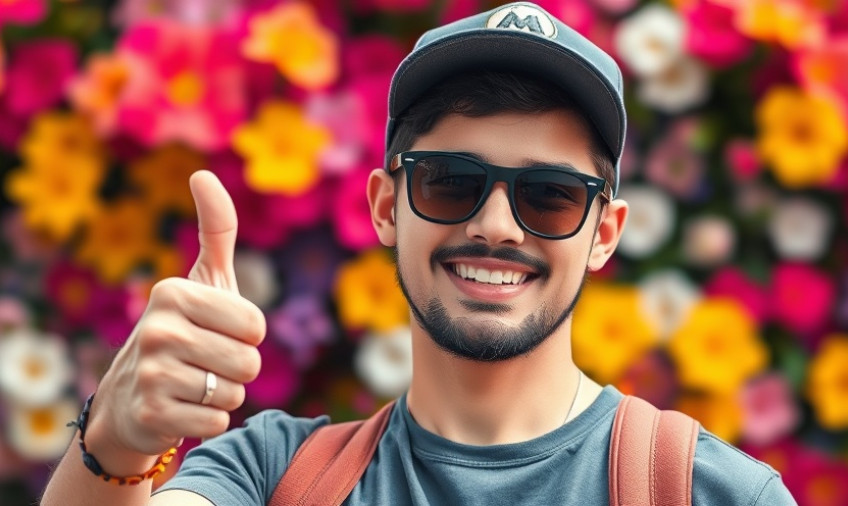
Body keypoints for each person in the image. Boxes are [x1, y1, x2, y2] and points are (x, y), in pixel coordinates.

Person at [42, 2, 797, 505]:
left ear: (604, 232)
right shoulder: (271, 477)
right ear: (383, 208)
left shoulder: (711, 492)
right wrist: (114, 436)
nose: (498, 225)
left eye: (550, 196)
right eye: (450, 183)